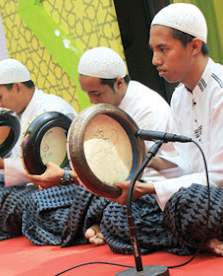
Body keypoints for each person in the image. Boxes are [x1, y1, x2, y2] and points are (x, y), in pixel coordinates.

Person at [98, 3, 223, 257]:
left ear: (194, 46)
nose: (155, 60)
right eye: (154, 50)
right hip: (198, 195)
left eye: (163, 49)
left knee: (188, 206)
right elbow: (187, 165)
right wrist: (148, 165)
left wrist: (153, 189)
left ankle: (188, 235)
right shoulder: (179, 96)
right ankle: (196, 239)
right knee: (115, 214)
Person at [21, 46, 179, 246]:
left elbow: (128, 175)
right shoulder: (106, 107)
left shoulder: (148, 110)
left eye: (96, 93)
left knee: (115, 215)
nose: (91, 100)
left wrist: (65, 176)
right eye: (88, 94)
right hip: (98, 187)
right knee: (35, 203)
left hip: (142, 189)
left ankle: (98, 225)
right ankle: (94, 224)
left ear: (119, 83)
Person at [0, 58, 77, 240]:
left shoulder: (52, 110)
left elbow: (50, 171)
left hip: (62, 187)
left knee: (20, 202)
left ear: (17, 87)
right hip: (28, 186)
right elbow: (22, 163)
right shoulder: (18, 116)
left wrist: (3, 165)